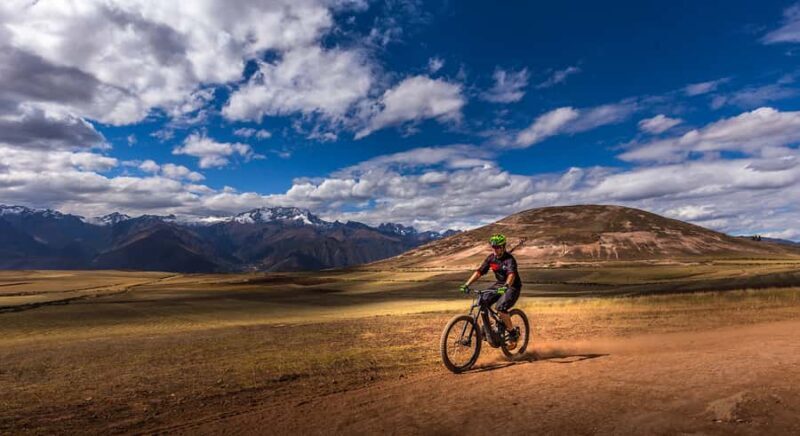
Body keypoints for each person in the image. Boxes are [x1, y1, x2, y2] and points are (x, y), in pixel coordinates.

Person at [459, 233, 522, 349]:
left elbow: (512, 275)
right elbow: (479, 272)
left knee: (501, 308)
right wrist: (467, 284)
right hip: (499, 284)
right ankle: (487, 328)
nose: (495, 249)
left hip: (512, 286)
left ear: (503, 247)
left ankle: (513, 333)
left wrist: (507, 285)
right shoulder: (491, 258)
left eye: (497, 247)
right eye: (493, 247)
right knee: (481, 300)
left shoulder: (509, 260)